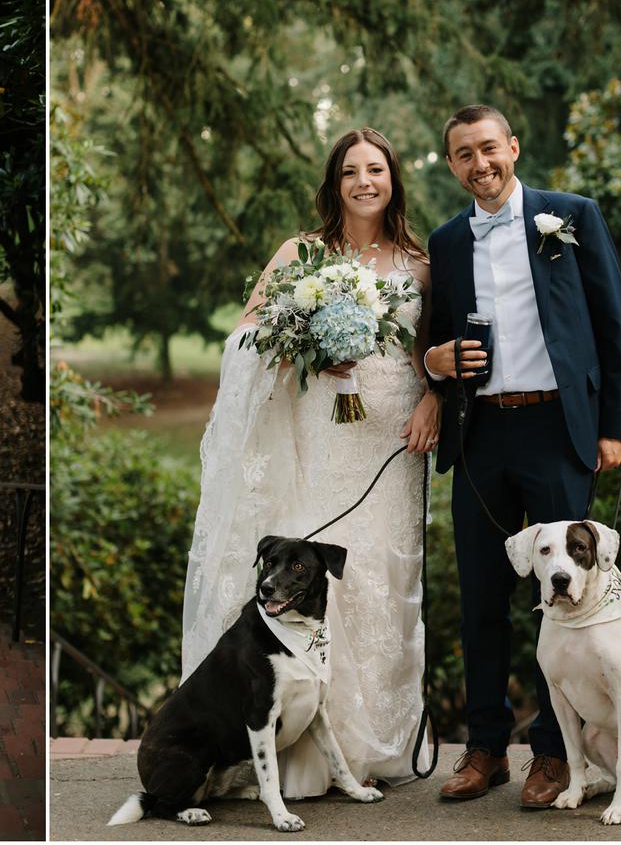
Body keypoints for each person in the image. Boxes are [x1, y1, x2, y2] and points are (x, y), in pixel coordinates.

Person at [184, 128, 440, 797]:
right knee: (318, 583)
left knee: (384, 580)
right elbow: (246, 334)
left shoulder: (418, 263)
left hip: (391, 444)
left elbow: (427, 355)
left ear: (393, 181)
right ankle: (298, 750)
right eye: (351, 170)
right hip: (320, 444)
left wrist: (433, 400)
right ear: (334, 184)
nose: (364, 181)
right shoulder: (301, 253)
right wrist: (306, 350)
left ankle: (370, 743)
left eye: (376, 169)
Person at [424, 104, 621, 807]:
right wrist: (437, 362)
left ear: (513, 146)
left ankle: (551, 752)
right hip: (480, 434)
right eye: (463, 155)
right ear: (451, 165)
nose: (480, 165)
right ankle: (485, 748)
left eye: (489, 149)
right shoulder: (447, 241)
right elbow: (431, 341)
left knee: (565, 600)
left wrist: (616, 424)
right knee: (482, 597)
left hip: (558, 432)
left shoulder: (569, 215)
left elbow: (613, 322)